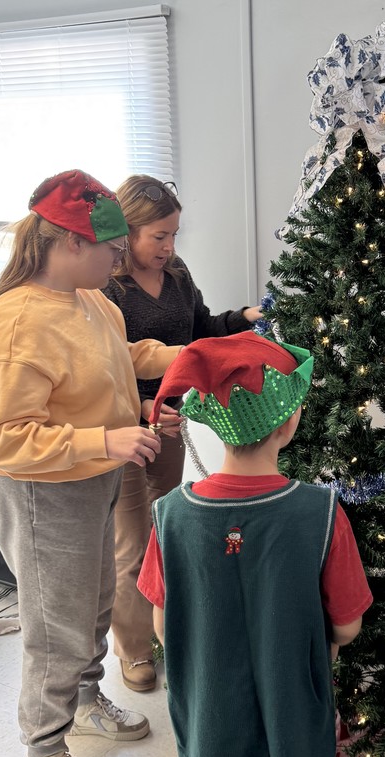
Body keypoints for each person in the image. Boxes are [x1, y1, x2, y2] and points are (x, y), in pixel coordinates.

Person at [137, 331, 373, 757]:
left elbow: (159, 626)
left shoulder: (171, 516)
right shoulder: (319, 512)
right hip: (293, 722)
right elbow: (349, 624)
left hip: (211, 724)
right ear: (291, 420)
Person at [0, 169, 185, 757]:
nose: (120, 262)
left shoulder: (90, 301)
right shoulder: (17, 326)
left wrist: (190, 361)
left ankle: (87, 700)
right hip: (40, 496)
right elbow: (4, 440)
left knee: (93, 603)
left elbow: (116, 359)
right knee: (55, 629)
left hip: (87, 481)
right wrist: (111, 441)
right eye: (111, 251)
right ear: (67, 243)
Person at [102, 175, 262, 692]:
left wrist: (245, 319)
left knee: (168, 531)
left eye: (174, 235)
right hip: (121, 426)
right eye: (159, 237)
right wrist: (143, 407)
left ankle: (168, 627)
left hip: (169, 421)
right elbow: (103, 368)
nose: (169, 247)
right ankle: (132, 650)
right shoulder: (106, 287)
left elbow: (201, 331)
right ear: (127, 233)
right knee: (132, 542)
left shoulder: (176, 273)